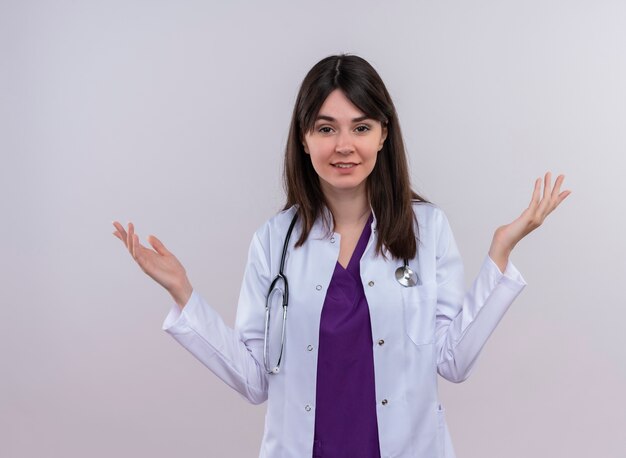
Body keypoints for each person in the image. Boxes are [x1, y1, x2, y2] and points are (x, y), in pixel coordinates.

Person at [112, 54, 570, 458]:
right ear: (305, 138)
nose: (344, 145)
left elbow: (453, 360)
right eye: (326, 128)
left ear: (384, 135)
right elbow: (254, 381)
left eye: (361, 127)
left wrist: (499, 256)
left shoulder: (426, 230)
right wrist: (184, 293)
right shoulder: (273, 241)